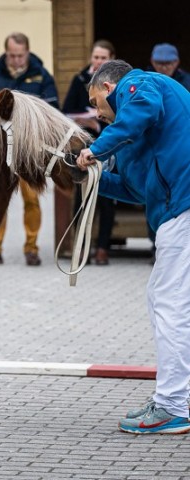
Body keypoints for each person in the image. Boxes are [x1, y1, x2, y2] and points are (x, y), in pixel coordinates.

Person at [77, 59, 190, 434]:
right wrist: (89, 177)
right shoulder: (131, 135)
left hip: (183, 209)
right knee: (168, 301)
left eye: (96, 102)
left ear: (109, 88)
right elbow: (133, 189)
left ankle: (173, 406)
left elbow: (140, 110)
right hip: (177, 209)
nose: (97, 114)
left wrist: (94, 150)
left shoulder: (139, 85)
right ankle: (177, 398)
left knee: (168, 302)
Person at [0, 32, 59, 266]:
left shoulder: (41, 76)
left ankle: (31, 247)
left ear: (27, 53)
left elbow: (52, 109)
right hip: (0, 153)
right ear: (6, 53)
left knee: (32, 200)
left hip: (29, 152)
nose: (16, 60)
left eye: (20, 56)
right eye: (12, 55)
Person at [62, 39, 116, 265]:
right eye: (96, 57)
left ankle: (103, 248)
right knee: (81, 198)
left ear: (111, 59)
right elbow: (65, 113)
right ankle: (81, 246)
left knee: (107, 198)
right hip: (83, 144)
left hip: (111, 145)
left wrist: (102, 122)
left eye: (103, 58)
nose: (98, 61)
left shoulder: (116, 83)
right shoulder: (80, 80)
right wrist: (86, 120)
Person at [146, 43, 190, 258]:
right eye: (160, 64)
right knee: (153, 193)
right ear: (153, 63)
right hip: (155, 151)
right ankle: (155, 245)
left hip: (182, 152)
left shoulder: (187, 82)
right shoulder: (145, 84)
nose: (164, 68)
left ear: (177, 63)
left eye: (168, 63)